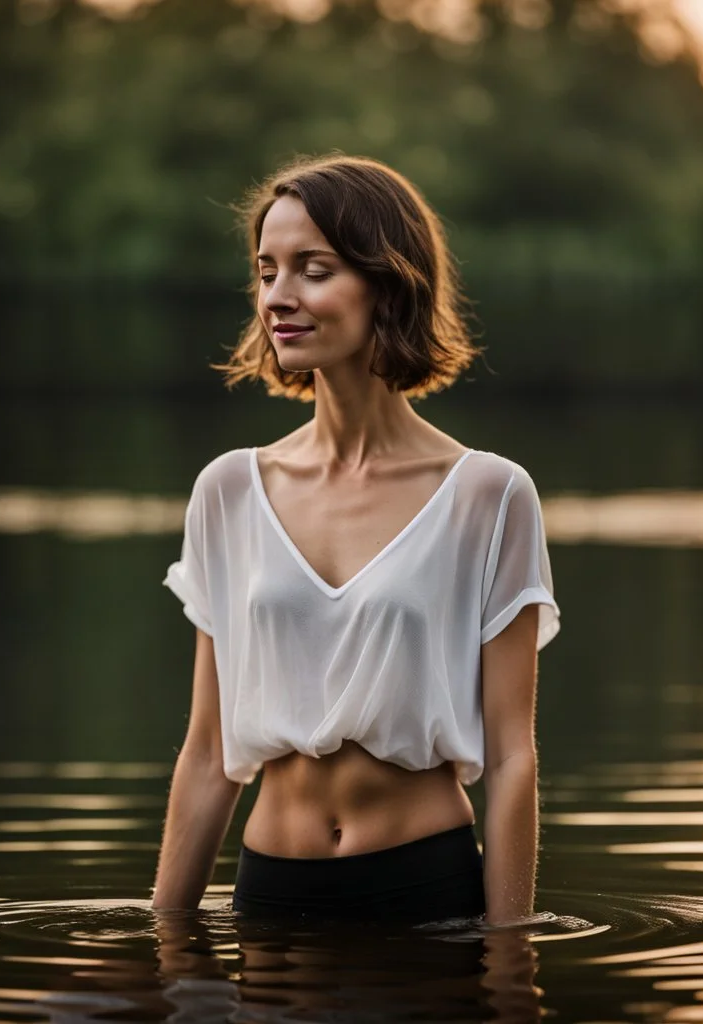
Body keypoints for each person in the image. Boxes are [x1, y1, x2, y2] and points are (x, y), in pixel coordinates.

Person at [151, 154, 560, 927]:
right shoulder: (229, 491)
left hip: (426, 893)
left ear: (388, 283)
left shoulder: (491, 495)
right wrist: (164, 944)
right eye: (266, 271)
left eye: (313, 269)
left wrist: (511, 965)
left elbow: (512, 759)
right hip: (271, 896)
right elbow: (208, 756)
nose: (279, 297)